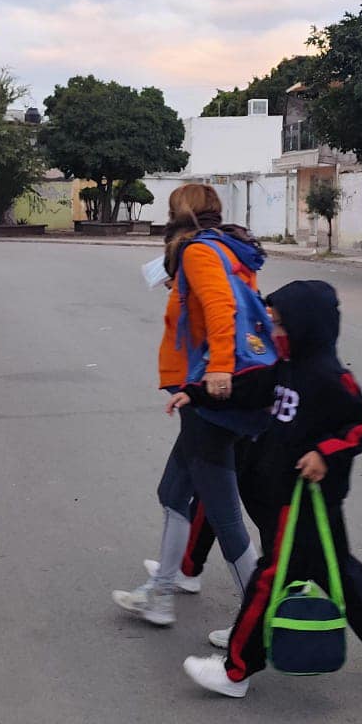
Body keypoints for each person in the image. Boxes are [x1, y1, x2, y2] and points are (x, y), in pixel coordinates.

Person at [183, 280, 362, 698]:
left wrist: (323, 454)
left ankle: (236, 671)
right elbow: (248, 391)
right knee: (340, 575)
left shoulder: (330, 377)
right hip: (292, 496)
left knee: (271, 576)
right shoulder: (286, 367)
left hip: (306, 499)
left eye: (280, 325)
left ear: (306, 326)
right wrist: (196, 394)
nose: (273, 332)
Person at [112, 185, 275, 628]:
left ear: (181, 211)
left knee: (223, 515)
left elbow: (223, 311)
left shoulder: (199, 252)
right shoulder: (227, 249)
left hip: (207, 393)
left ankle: (257, 621)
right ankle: (162, 591)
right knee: (172, 493)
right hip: (205, 392)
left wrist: (219, 368)